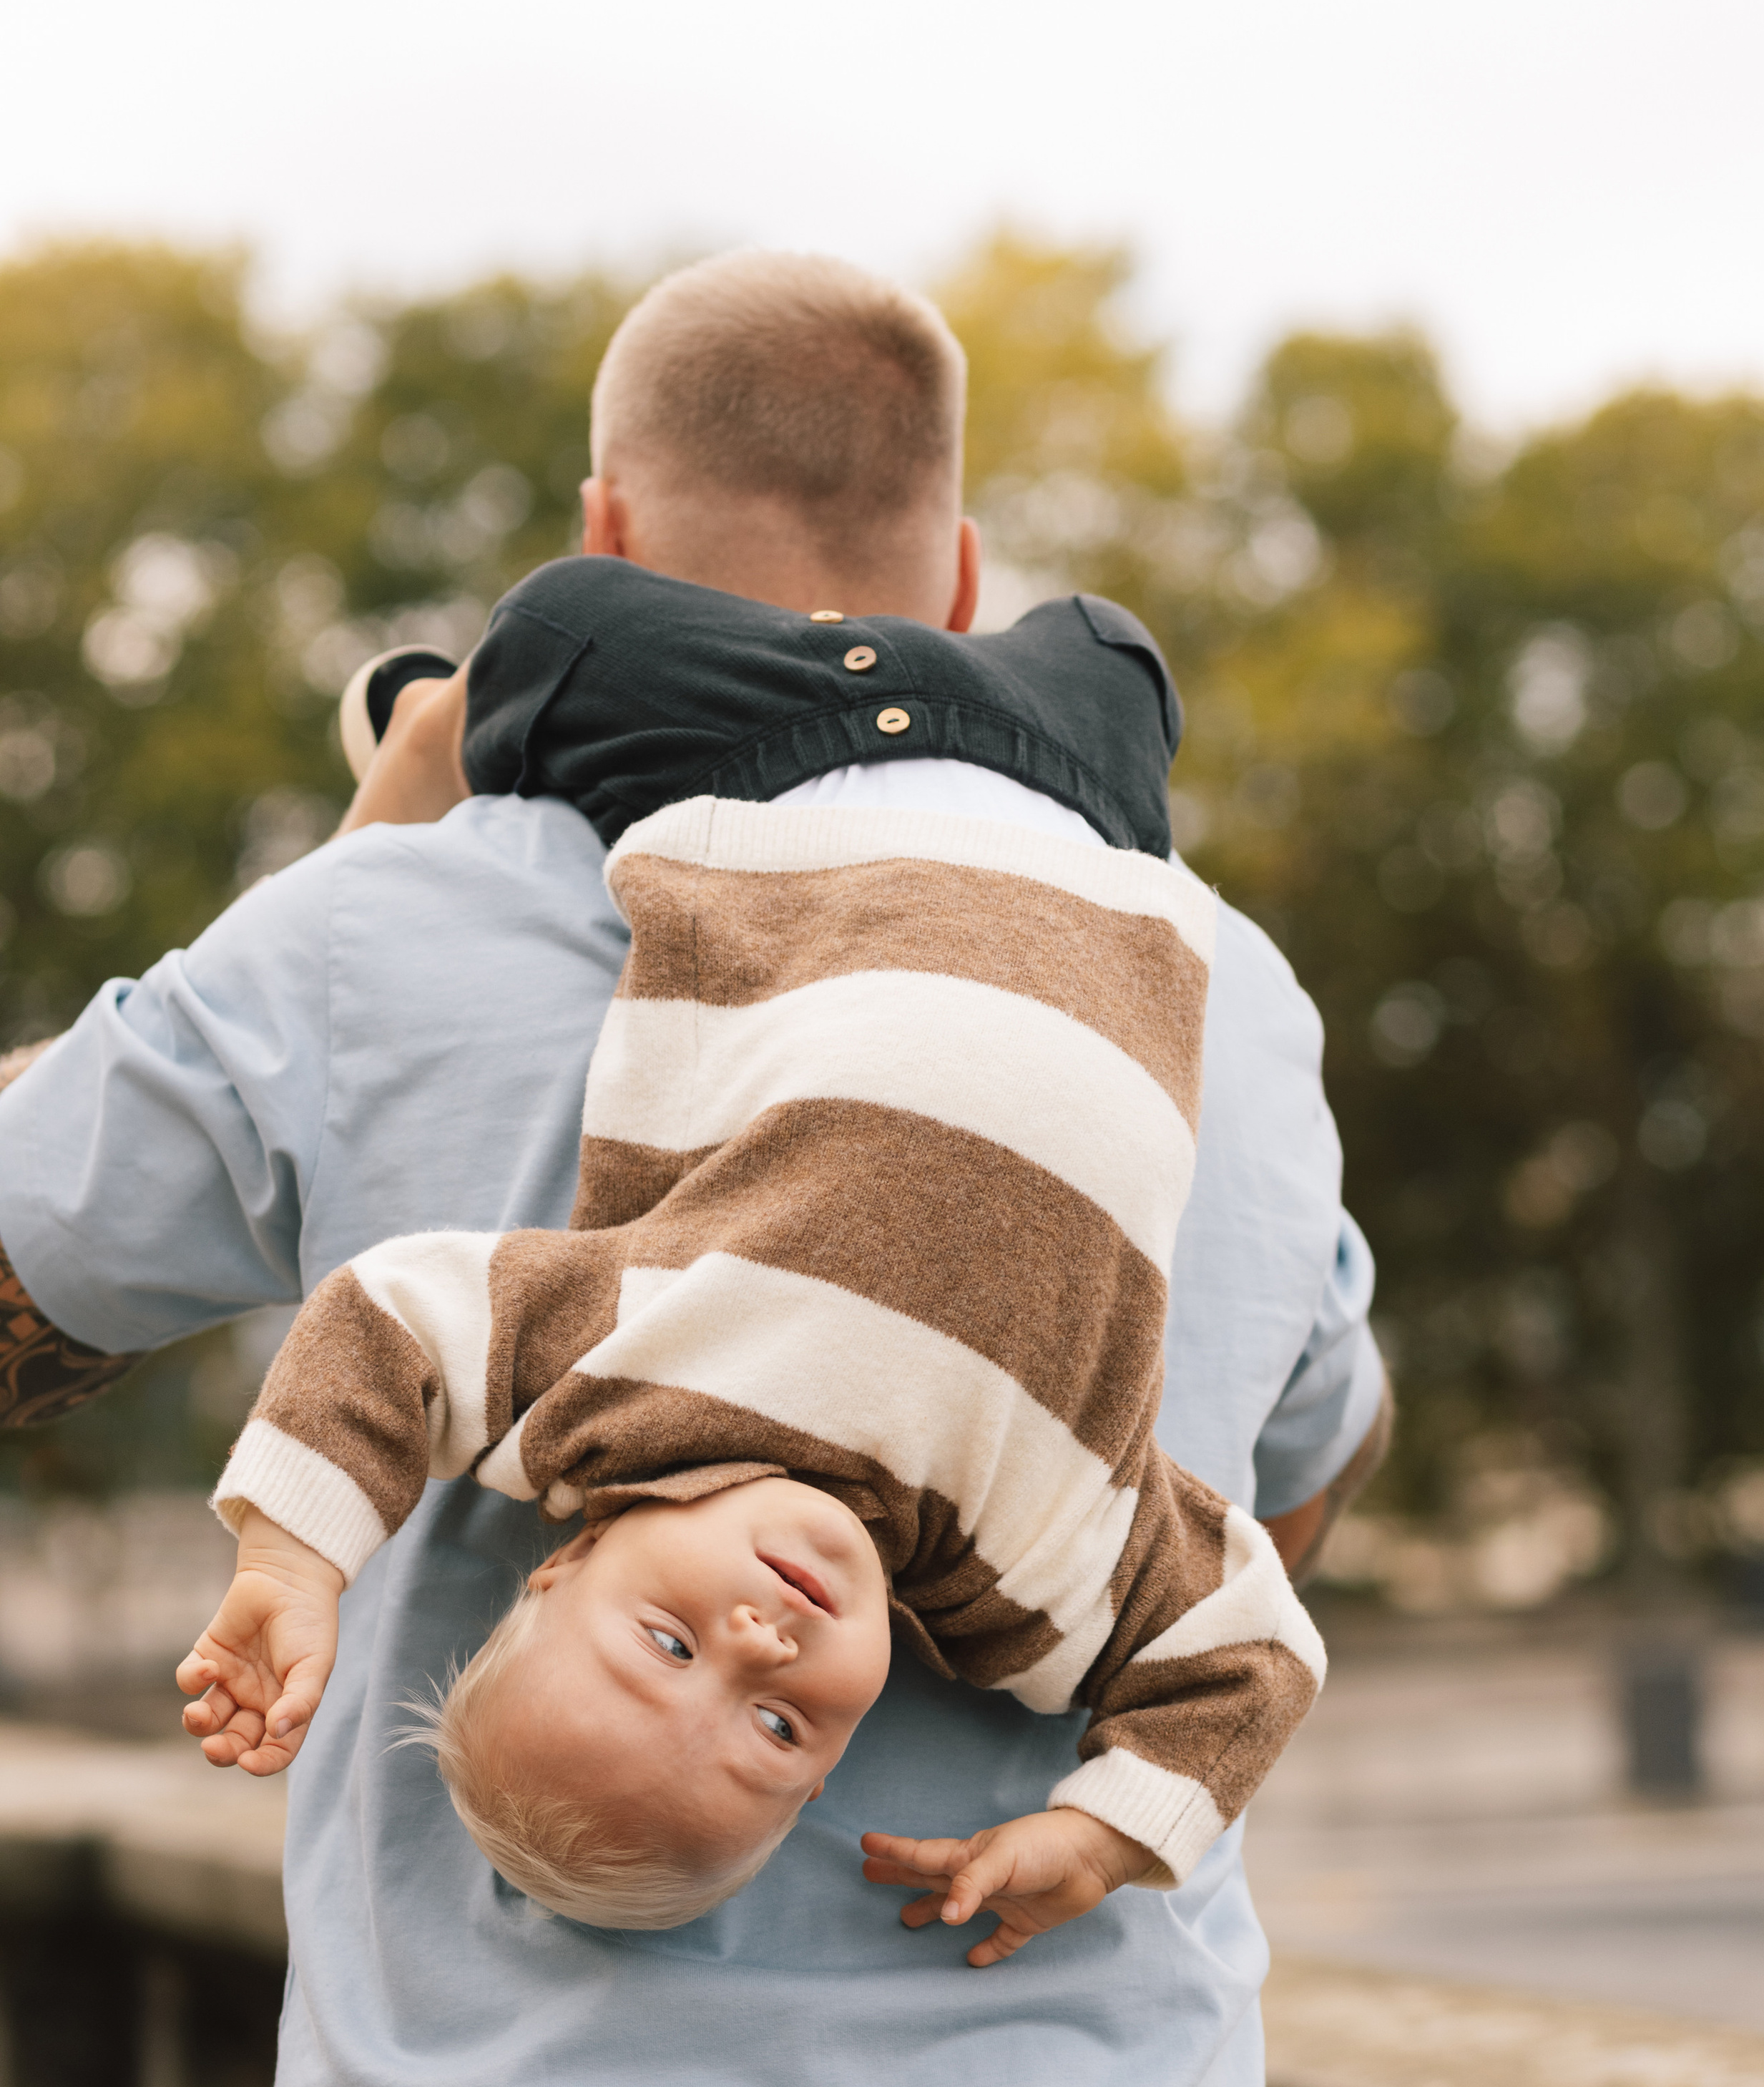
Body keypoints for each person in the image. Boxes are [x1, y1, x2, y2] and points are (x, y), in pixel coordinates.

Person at [0, 252, 1388, 2087]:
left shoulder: (389, 925)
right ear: (960, 563)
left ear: (603, 539)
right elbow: (1298, 1495)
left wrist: (359, 860)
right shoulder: (1234, 992)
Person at [181, 603, 1326, 1941]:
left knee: (562, 627)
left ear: (572, 1560)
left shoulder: (610, 1395)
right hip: (1090, 801)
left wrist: (294, 1562)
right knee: (1122, 646)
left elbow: (383, 1326)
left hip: (784, 761)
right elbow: (1250, 1658)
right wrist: (1107, 1833)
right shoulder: (1038, 1577)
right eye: (778, 1725)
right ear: (835, 1768)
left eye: (669, 1644)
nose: (760, 1643)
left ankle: (437, 732)